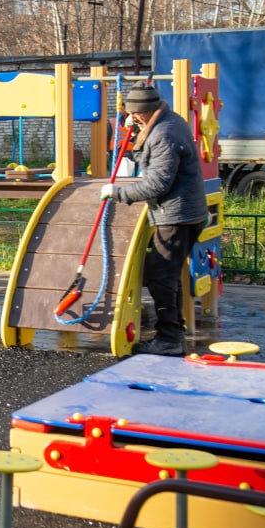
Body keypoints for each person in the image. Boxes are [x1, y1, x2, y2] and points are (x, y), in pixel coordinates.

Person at [99, 82, 208, 356]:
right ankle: (173, 333)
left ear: (143, 112)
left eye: (134, 115)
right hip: (185, 212)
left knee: (160, 275)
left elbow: (158, 183)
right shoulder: (171, 121)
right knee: (168, 275)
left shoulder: (163, 134)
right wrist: (138, 131)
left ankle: (170, 338)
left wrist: (119, 193)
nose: (131, 119)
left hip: (176, 216)